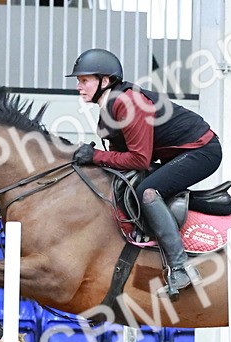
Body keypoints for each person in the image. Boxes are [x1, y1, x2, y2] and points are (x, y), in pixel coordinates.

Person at [67, 48, 222, 299]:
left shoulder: (127, 103)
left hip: (202, 150)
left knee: (148, 192)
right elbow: (121, 160)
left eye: (84, 80)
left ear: (105, 81)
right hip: (178, 153)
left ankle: (180, 268)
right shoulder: (109, 106)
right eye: (78, 81)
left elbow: (139, 159)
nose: (79, 86)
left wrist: (95, 156)